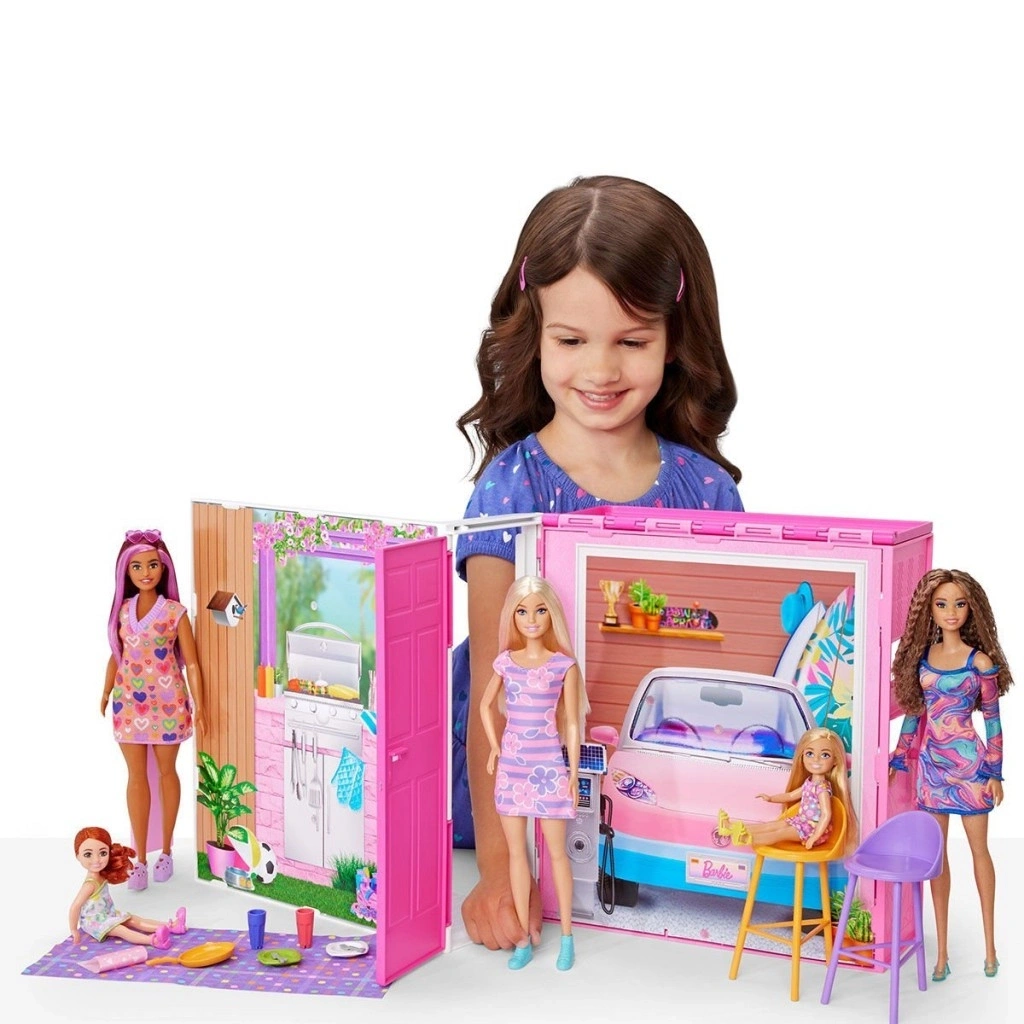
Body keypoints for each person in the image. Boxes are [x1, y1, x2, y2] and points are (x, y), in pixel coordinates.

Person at [454, 175, 744, 951]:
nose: (602, 370)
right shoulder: (512, 487)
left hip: (649, 762)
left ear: (675, 337)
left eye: (632, 341)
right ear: (533, 334)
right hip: (520, 768)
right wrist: (499, 872)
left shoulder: (707, 490)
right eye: (572, 340)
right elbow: (488, 687)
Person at [889, 569, 1013, 982]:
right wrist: (900, 755)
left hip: (972, 768)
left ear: (971, 607)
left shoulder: (980, 662)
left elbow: (993, 721)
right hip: (932, 768)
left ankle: (990, 947)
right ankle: (941, 952)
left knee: (979, 852)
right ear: (929, 610)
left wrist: (995, 771)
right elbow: (914, 714)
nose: (951, 612)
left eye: (959, 603)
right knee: (936, 856)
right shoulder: (923, 658)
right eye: (942, 604)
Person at [479, 576, 585, 971]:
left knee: (557, 854)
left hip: (549, 769)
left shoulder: (563, 666)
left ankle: (568, 938)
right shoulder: (506, 662)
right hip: (512, 768)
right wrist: (495, 747)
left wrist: (572, 770)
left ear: (551, 614)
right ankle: (523, 938)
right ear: (513, 616)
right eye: (523, 611)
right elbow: (485, 707)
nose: (532, 619)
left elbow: (571, 722)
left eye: (540, 610)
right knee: (516, 854)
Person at [101, 530, 207, 889]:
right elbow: (117, 655)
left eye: (152, 565)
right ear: (125, 572)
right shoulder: (123, 611)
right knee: (135, 777)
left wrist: (200, 705)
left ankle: (166, 852)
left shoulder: (175, 612)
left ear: (164, 568)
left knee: (166, 773)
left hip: (168, 703)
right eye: (136, 567)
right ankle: (140, 860)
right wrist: (106, 691)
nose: (145, 572)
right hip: (129, 703)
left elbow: (192, 663)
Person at [720, 727, 857, 852]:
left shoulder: (822, 788)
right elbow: (791, 796)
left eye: (825, 755)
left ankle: (746, 838)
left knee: (779, 833)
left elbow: (826, 815)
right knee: (771, 826)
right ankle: (730, 827)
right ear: (802, 756)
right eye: (809, 753)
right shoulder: (809, 782)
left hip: (812, 829)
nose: (816, 759)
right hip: (801, 822)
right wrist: (771, 798)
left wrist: (814, 837)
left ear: (835, 760)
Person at [69, 826, 187, 947]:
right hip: (94, 922)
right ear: (78, 856)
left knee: (134, 920)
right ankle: (154, 941)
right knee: (122, 930)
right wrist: (73, 930)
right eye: (88, 854)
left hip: (108, 914)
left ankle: (172, 926)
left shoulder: (101, 875)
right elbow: (75, 907)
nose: (96, 860)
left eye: (103, 853)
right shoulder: (89, 885)